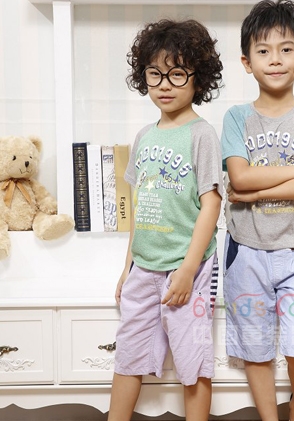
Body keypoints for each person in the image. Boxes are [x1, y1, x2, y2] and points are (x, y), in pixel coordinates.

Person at [221, 1, 294, 421]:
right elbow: (239, 177)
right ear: (247, 62)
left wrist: (256, 192)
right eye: (263, 50)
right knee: (254, 345)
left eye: (286, 49)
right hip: (246, 251)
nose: (275, 59)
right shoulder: (236, 118)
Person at [107, 19, 224, 421]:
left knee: (193, 362)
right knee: (129, 355)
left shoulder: (201, 135)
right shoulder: (144, 136)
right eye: (154, 73)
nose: (164, 84)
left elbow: (212, 204)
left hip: (188, 266)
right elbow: (141, 206)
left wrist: (189, 269)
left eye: (177, 73)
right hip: (144, 267)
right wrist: (128, 267)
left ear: (197, 78)